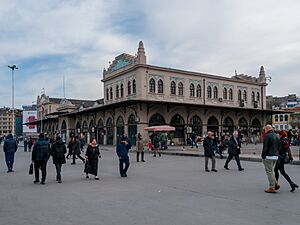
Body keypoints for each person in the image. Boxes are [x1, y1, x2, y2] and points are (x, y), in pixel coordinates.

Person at [261, 125, 280, 193]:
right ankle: (276, 183)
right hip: (275, 156)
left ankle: (272, 187)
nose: (264, 131)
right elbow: (279, 147)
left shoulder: (267, 136)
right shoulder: (277, 136)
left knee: (269, 171)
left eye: (265, 130)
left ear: (267, 129)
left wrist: (263, 155)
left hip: (269, 156)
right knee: (271, 171)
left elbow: (265, 147)